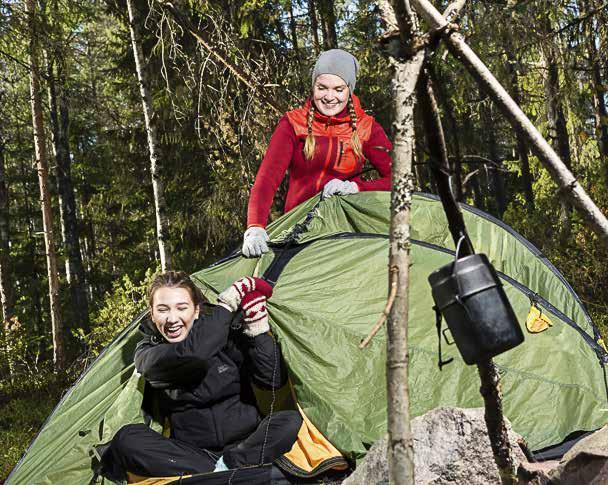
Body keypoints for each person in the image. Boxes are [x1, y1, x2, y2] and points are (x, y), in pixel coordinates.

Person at [97, 271, 302, 482]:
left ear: (196, 311)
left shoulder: (226, 337)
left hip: (247, 444)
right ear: (152, 314)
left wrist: (258, 330)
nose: (172, 319)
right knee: (126, 440)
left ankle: (222, 472)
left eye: (181, 308)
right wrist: (229, 303)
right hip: (192, 455)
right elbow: (193, 354)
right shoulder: (148, 353)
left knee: (289, 420)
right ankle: (229, 474)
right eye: (162, 309)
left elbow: (272, 380)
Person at [242, 49, 393, 257]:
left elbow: (399, 179)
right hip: (298, 230)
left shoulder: (367, 127)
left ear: (350, 89)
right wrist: (255, 226)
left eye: (338, 89)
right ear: (313, 86)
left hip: (345, 230)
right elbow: (267, 178)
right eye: (322, 88)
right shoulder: (293, 123)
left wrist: (356, 187)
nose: (330, 97)